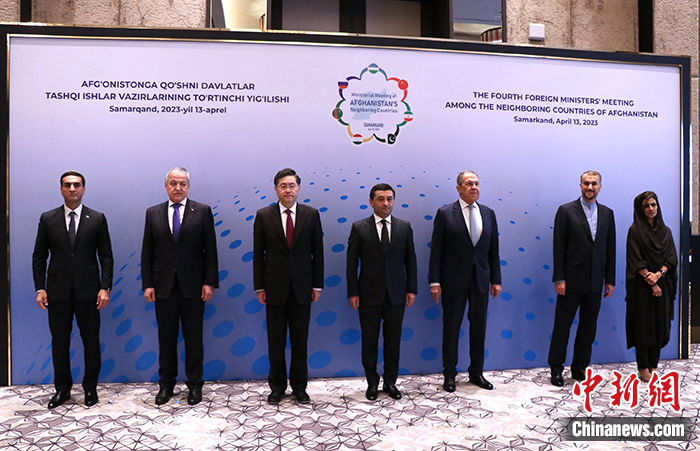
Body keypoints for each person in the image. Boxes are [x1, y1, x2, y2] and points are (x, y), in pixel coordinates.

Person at [32, 170, 113, 408]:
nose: (72, 189)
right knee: (59, 342)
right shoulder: (48, 218)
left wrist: (105, 287)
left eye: (77, 185)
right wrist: (40, 288)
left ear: (84, 189)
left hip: (89, 292)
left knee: (91, 341)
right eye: (67, 185)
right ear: (61, 189)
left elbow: (106, 256)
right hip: (57, 292)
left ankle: (90, 389)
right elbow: (39, 257)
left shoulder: (97, 218)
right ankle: (62, 389)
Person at [141, 167, 218, 405]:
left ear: (188, 187)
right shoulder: (153, 213)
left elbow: (210, 250)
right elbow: (148, 251)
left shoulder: (202, 211)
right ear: (166, 186)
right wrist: (147, 284)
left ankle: (195, 386)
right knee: (166, 339)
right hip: (163, 286)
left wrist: (209, 282)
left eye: (182, 184)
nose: (178, 188)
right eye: (173, 183)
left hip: (193, 287)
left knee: (194, 339)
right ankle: (166, 385)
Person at [253, 168, 324, 405]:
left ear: (298, 189)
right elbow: (258, 254)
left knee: (300, 342)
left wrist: (317, 285)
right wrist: (259, 286)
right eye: (283, 186)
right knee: (275, 342)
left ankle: (300, 388)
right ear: (276, 189)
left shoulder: (311, 214)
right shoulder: (264, 216)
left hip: (303, 288)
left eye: (292, 186)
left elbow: (318, 252)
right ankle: (277, 387)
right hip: (274, 288)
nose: (288, 190)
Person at [429, 171, 502, 392]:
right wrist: (434, 281)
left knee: (479, 328)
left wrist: (496, 280)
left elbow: (493, 250)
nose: (474, 187)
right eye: (469, 184)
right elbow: (436, 250)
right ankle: (450, 375)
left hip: (481, 280)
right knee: (451, 328)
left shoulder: (488, 213)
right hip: (453, 280)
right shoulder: (445, 213)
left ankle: (476, 372)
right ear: (459, 188)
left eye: (477, 183)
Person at [346, 183, 417, 401]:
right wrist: (352, 292)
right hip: (368, 295)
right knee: (369, 341)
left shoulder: (404, 227)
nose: (386, 203)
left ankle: (390, 382)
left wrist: (412, 289)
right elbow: (351, 263)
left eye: (389, 199)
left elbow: (411, 261)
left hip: (397, 294)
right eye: (381, 199)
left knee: (393, 341)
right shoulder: (359, 227)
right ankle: (372, 383)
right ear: (371, 202)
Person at [548, 170, 616, 387]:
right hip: (569, 281)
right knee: (562, 326)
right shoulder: (566, 211)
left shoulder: (607, 213)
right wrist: (559, 278)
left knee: (588, 328)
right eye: (586, 183)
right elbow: (558, 247)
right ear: (580, 185)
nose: (590, 187)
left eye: (594, 184)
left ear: (600, 186)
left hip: (596, 281)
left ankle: (579, 367)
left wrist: (610, 279)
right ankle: (556, 369)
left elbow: (610, 249)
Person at [625, 191, 677, 382]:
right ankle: (643, 367)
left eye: (653, 205)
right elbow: (635, 259)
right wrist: (651, 280)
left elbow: (672, 257)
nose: (651, 208)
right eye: (646, 206)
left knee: (660, 326)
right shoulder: (635, 231)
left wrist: (659, 274)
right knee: (643, 327)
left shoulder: (666, 231)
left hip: (663, 284)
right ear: (640, 209)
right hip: (641, 288)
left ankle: (653, 365)